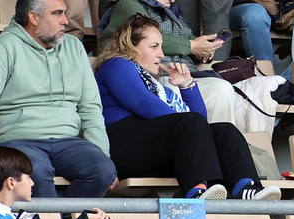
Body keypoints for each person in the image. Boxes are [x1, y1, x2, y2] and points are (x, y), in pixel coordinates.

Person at [0, 0, 116, 197]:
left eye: (65, 13)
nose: (66, 21)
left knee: (103, 170)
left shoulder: (74, 47)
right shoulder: (3, 48)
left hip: (67, 140)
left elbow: (91, 108)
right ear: (33, 18)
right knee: (34, 174)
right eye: (57, 14)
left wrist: (102, 154)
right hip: (16, 140)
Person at [94, 16, 274, 201]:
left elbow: (200, 122)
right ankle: (199, 189)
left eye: (161, 47)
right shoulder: (116, 65)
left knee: (224, 130)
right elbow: (143, 105)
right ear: (129, 46)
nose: (161, 54)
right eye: (154, 46)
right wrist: (190, 127)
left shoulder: (154, 84)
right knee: (191, 124)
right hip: (123, 145)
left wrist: (187, 85)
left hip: (155, 146)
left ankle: (246, 187)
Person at [96, 0, 237, 116]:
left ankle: (217, 139)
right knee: (172, 92)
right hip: (150, 77)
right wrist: (192, 46)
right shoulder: (127, 4)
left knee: (222, 89)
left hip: (183, 75)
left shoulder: (172, 12)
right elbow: (150, 37)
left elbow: (190, 40)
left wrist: (204, 50)